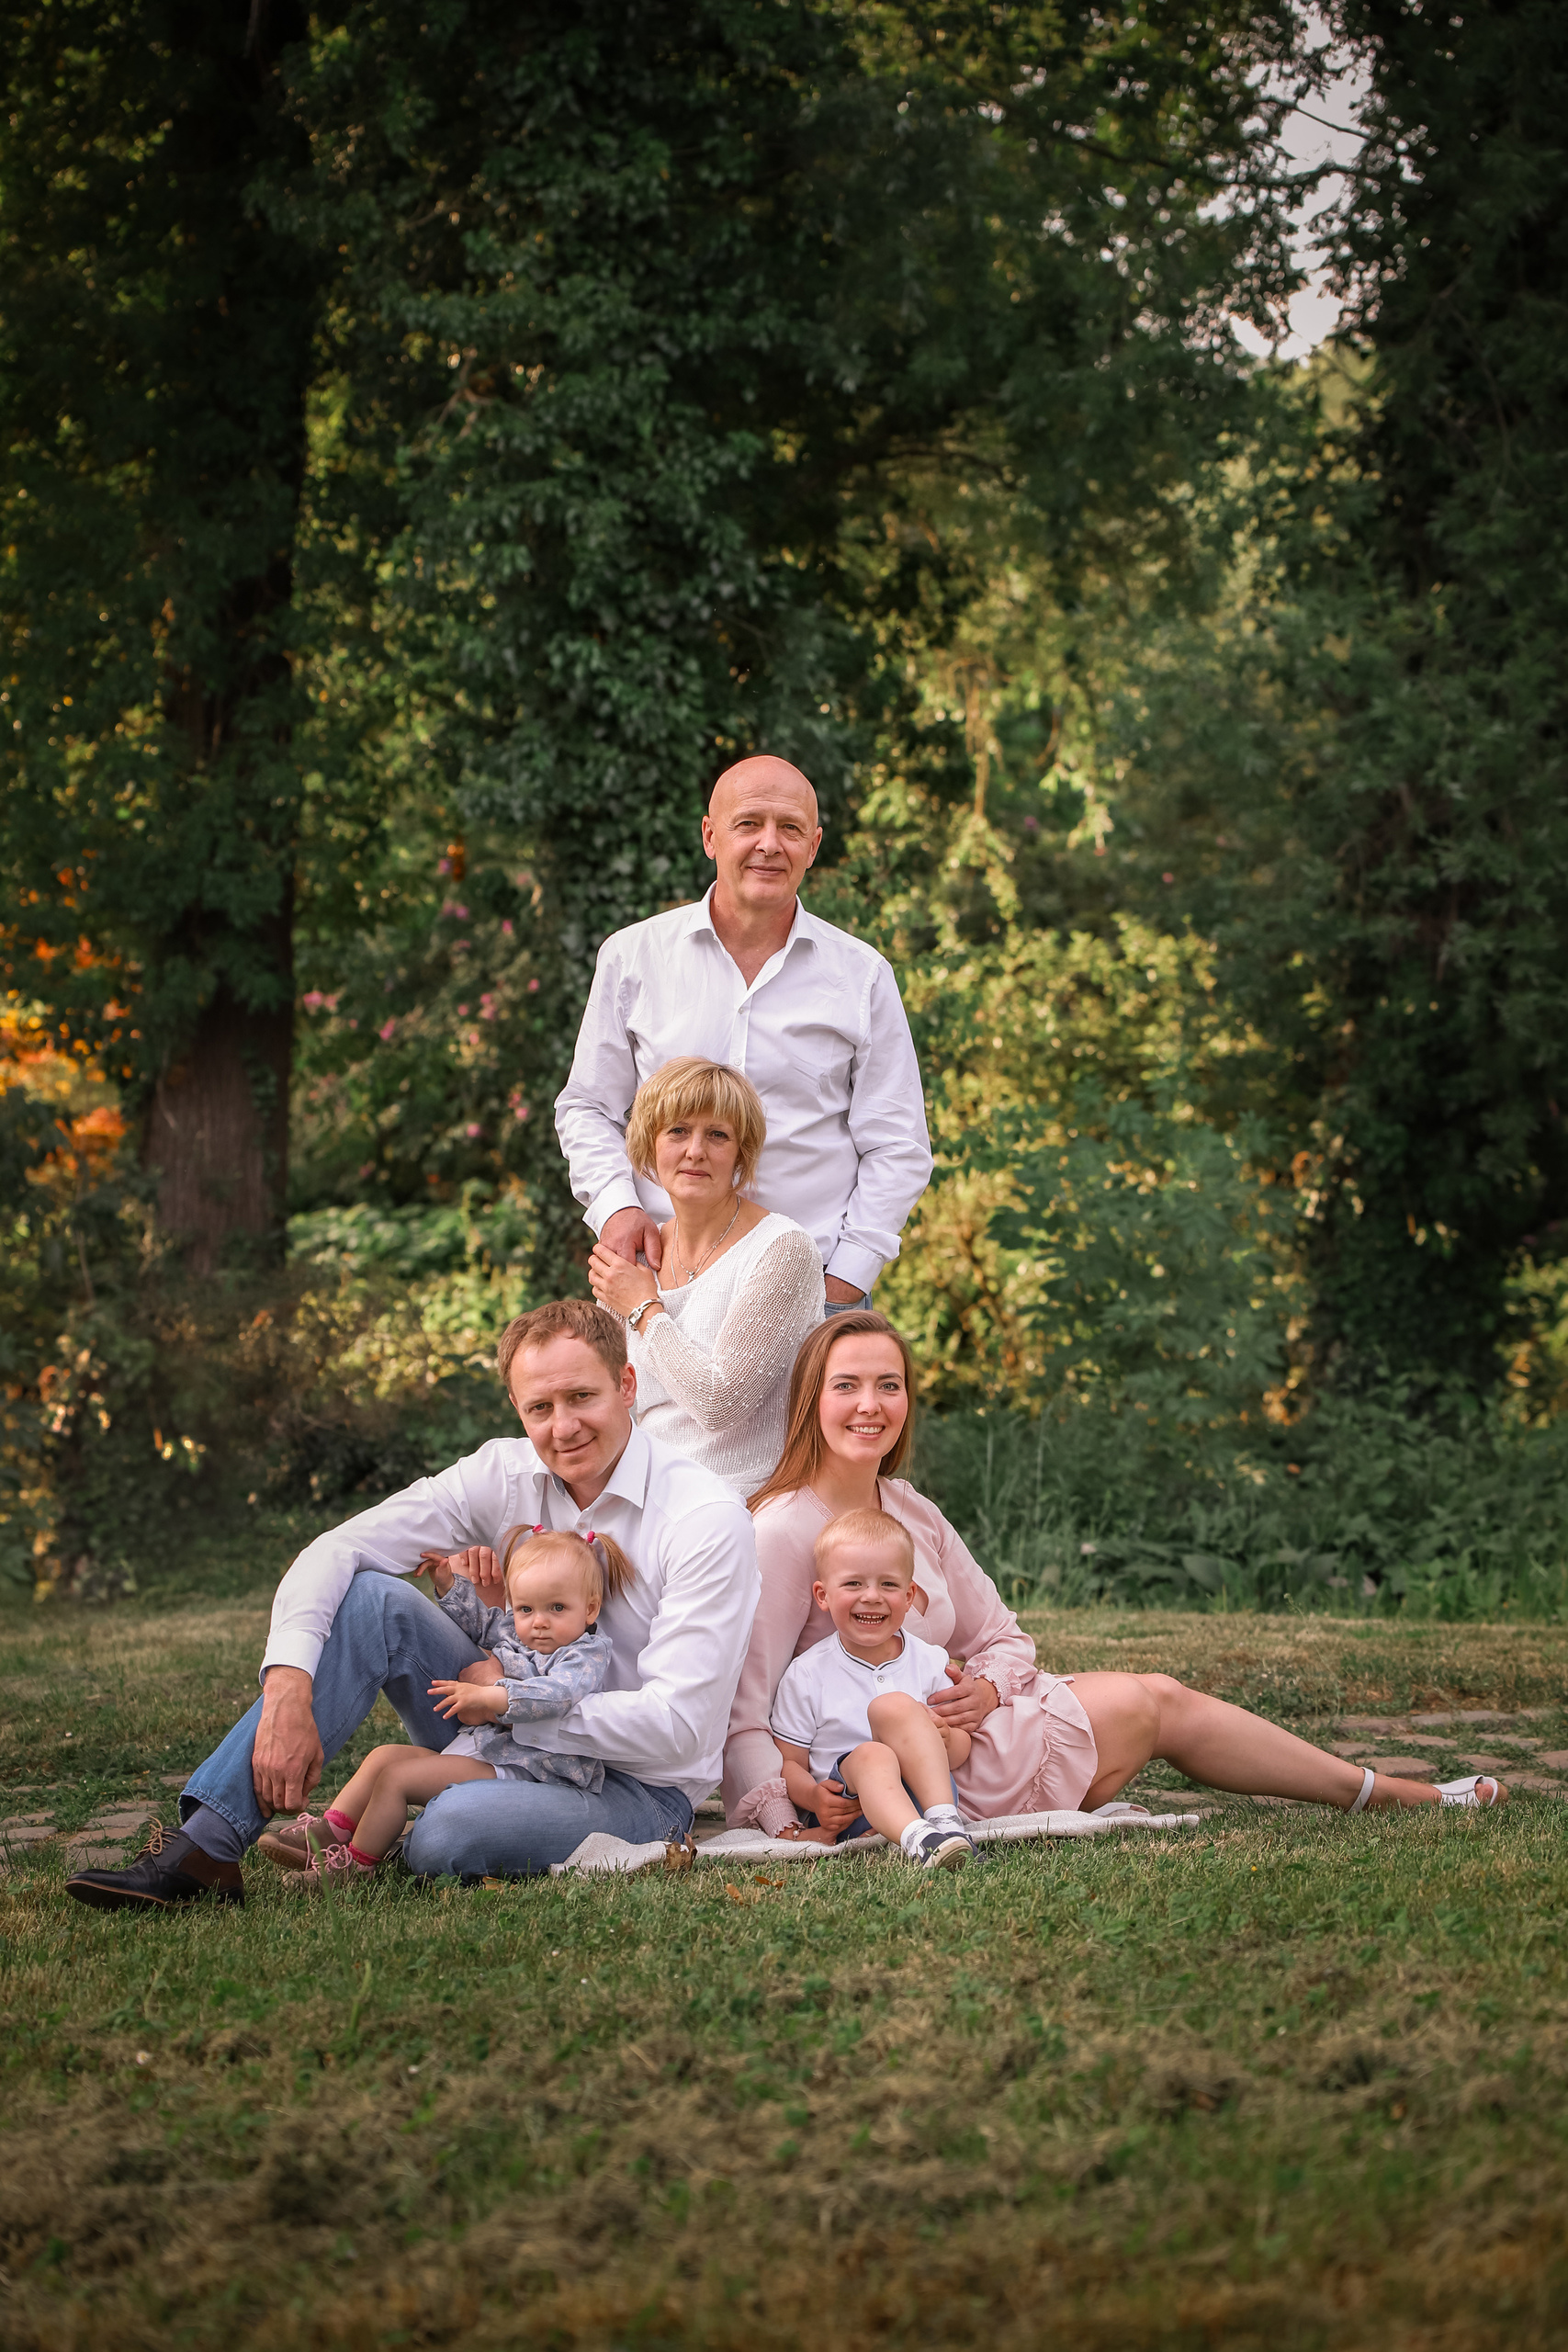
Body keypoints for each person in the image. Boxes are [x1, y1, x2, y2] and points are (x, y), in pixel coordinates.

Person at [64, 1299, 761, 1910]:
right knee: (371, 1600)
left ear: (628, 1385)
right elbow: (336, 1550)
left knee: (448, 1834)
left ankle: (411, 1829)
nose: (564, 1427)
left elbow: (676, 1729)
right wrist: (286, 1685)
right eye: (540, 1408)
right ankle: (204, 1850)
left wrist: (508, 1701)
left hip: (635, 1786)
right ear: (519, 1410)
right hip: (496, 1736)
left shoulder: (701, 1516)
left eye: (582, 1398)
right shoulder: (504, 1474)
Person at [725, 1312, 1509, 1836]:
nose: (871, 1405)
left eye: (888, 1385)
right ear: (810, 1401)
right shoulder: (784, 1528)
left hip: (978, 1736)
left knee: (1160, 1698)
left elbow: (1001, 1636)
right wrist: (781, 1815)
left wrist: (990, 1689)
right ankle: (1395, 1795)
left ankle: (1383, 1792)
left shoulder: (909, 1509)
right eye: (847, 1386)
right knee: (1153, 1699)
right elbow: (745, 1713)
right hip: (885, 1781)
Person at [555, 753, 932, 1312]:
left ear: (814, 845)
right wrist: (616, 1208)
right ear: (710, 836)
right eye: (749, 823)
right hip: (660, 1288)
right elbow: (588, 1107)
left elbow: (897, 1143)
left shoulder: (862, 975)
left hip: (812, 1292)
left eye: (791, 829)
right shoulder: (633, 958)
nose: (769, 844)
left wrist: (847, 1276)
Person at [256, 1525, 627, 1886]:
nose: (539, 1622)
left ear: (590, 1609)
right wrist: (448, 1584)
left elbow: (556, 1696)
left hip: (532, 1769)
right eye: (526, 1608)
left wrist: (488, 1696)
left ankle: (354, 1868)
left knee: (396, 1780)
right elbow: (484, 1624)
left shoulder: (584, 1653)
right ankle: (331, 1831)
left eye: (557, 1608)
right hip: (491, 1750)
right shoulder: (521, 1631)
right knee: (384, 1757)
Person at [585, 1056, 823, 1496]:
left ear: (740, 1153)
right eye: (678, 1131)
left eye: (717, 1135)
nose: (695, 1150)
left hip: (744, 1499)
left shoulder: (782, 1249)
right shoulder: (635, 1259)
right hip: (644, 1494)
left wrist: (645, 1308)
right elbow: (604, 1399)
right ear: (650, 1144)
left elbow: (720, 1403)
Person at [770, 1507, 976, 1870]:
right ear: (823, 1595)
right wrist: (815, 1799)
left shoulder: (929, 1660)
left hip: (923, 1799)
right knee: (874, 1753)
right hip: (850, 1809)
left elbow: (958, 1753)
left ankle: (945, 1828)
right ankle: (921, 1840)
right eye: (853, 1584)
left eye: (889, 1584)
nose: (872, 1596)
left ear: (909, 1595)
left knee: (895, 1708)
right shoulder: (807, 1674)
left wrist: (945, 1738)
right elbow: (788, 1764)